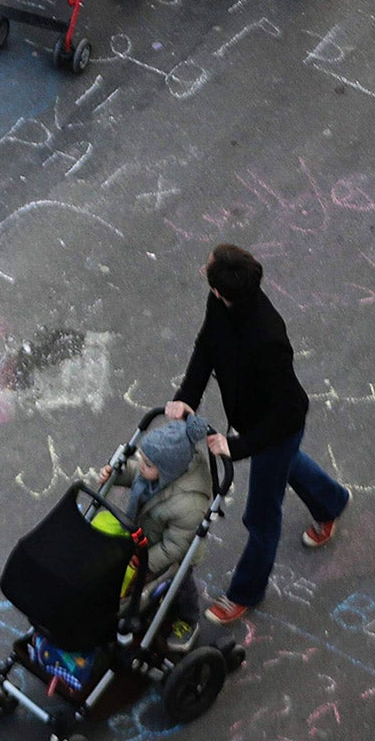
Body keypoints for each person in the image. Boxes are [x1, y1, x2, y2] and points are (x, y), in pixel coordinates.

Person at [166, 245, 349, 624]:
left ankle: (245, 593)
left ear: (222, 291)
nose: (204, 270)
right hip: (256, 423)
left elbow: (287, 412)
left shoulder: (268, 338)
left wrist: (236, 446)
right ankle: (331, 502)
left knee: (261, 516)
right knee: (290, 465)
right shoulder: (220, 305)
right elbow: (206, 348)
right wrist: (187, 397)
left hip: (274, 430)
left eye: (209, 270)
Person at [101, 415, 217, 651]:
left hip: (175, 551)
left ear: (166, 471)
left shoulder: (189, 505)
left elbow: (174, 547)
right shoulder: (154, 472)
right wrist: (115, 474)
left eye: (147, 464)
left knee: (180, 582)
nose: (141, 466)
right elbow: (136, 472)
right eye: (142, 459)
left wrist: (145, 563)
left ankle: (188, 620)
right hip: (144, 534)